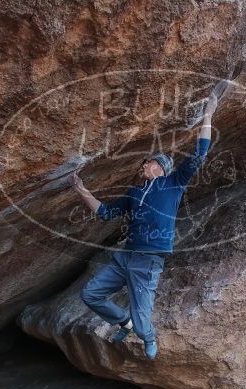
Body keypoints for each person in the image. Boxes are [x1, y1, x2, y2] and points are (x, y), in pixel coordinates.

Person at [71, 89, 219, 360]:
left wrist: (208, 115)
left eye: (146, 163)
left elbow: (200, 153)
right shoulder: (134, 193)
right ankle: (124, 323)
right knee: (90, 294)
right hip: (125, 257)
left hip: (148, 261)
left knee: (143, 324)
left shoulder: (174, 182)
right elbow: (105, 212)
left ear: (159, 166)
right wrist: (82, 192)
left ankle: (146, 335)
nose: (142, 167)